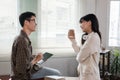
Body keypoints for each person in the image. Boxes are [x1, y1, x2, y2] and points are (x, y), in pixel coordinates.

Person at [11, 11, 61, 80]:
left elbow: (24, 59)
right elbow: (21, 69)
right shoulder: (22, 40)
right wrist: (35, 60)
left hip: (29, 71)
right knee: (57, 74)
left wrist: (36, 58)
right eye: (33, 20)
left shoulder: (23, 38)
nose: (36, 23)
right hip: (23, 76)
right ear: (26, 22)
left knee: (56, 73)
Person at [68, 14, 101, 80]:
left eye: (82, 22)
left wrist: (80, 54)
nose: (80, 25)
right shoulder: (87, 37)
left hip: (90, 75)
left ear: (89, 22)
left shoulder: (93, 38)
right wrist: (72, 40)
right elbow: (79, 52)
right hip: (84, 73)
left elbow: (79, 57)